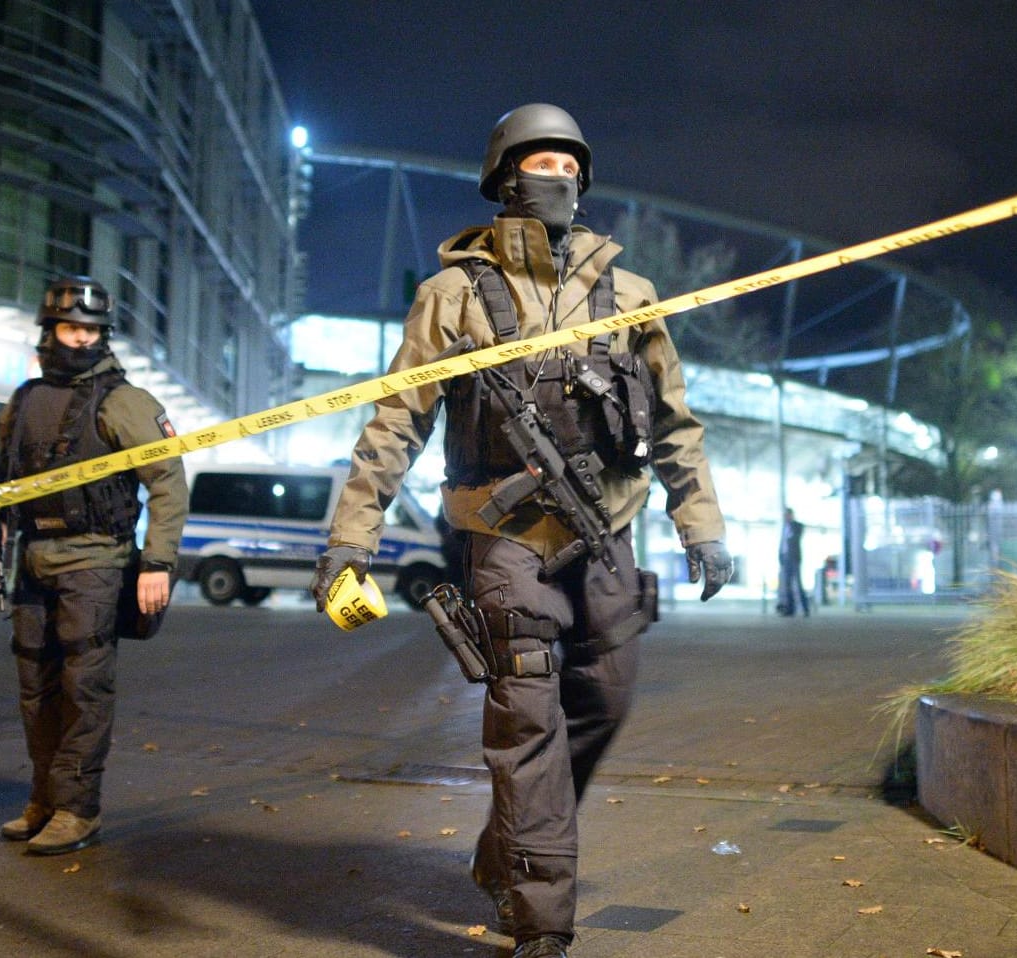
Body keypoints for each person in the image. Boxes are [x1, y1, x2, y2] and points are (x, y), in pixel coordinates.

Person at [310, 103, 732, 958]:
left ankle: (512, 845)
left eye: (572, 167)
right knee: (526, 721)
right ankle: (542, 922)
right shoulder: (452, 296)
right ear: (505, 175)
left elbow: (676, 424)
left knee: (605, 702)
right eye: (543, 164)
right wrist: (348, 544)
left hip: (610, 531)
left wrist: (702, 527)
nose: (560, 179)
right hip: (505, 543)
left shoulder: (631, 294)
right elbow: (396, 424)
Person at [0, 275, 188, 855]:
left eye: (92, 331)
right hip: (33, 558)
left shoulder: (124, 401)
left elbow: (168, 484)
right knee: (36, 688)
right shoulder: (24, 399)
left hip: (96, 560)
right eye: (71, 328)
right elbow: (6, 477)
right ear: (49, 331)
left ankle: (78, 809)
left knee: (83, 687)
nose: (81, 340)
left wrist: (158, 562)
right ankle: (44, 800)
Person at [776, 507, 809, 616]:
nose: (785, 517)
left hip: (794, 559)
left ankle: (805, 608)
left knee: (798, 584)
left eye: (787, 515)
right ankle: (790, 609)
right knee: (787, 585)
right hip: (785, 559)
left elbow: (795, 538)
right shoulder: (783, 528)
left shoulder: (797, 526)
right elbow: (782, 544)